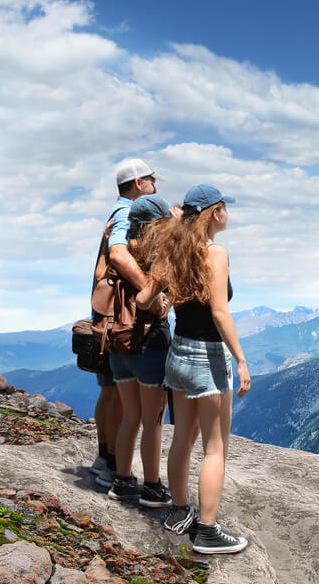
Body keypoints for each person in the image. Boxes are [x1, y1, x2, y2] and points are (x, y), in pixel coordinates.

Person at [136, 184, 251, 554]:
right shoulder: (216, 254)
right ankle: (207, 530)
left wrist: (166, 296)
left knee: (182, 438)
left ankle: (178, 511)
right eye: (224, 209)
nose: (227, 215)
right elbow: (219, 311)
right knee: (215, 448)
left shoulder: (172, 251)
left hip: (178, 354)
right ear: (215, 213)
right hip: (208, 357)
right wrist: (241, 359)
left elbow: (142, 299)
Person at [92, 159, 161, 488]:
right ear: (137, 182)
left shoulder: (115, 212)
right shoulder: (127, 214)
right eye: (150, 180)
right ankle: (113, 467)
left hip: (106, 316)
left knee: (110, 390)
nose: (154, 186)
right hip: (124, 319)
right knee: (123, 395)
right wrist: (149, 288)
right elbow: (118, 254)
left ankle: (104, 459)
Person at [106, 194, 177, 508]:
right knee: (153, 421)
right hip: (150, 342)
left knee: (130, 417)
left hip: (117, 342)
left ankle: (122, 482)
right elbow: (159, 301)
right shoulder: (156, 256)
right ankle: (151, 487)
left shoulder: (119, 253)